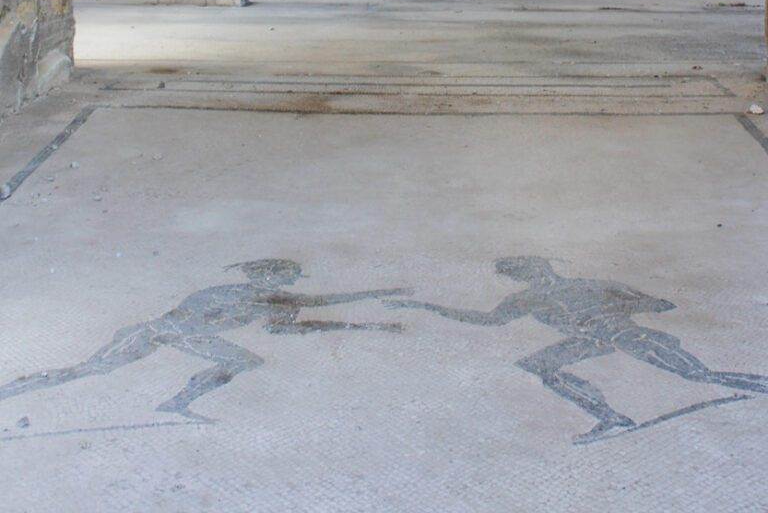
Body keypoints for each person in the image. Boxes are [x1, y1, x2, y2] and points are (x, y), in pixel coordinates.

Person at [388, 256, 768, 442]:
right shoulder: (528, 299)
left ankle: (760, 384)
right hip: (591, 339)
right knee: (540, 364)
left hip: (620, 332)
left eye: (528, 273)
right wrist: (428, 306)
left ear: (544, 269)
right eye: (523, 276)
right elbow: (488, 320)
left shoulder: (588, 285)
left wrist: (615, 308)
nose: (530, 280)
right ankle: (611, 418)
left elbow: (657, 304)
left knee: (697, 375)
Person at [0, 259, 410, 423]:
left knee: (245, 361)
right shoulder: (231, 292)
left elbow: (286, 325)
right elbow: (178, 321)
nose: (286, 285)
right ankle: (13, 389)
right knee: (91, 369)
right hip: (155, 333)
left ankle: (176, 403)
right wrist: (372, 303)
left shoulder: (271, 302)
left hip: (186, 337)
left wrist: (365, 321)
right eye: (283, 278)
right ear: (266, 278)